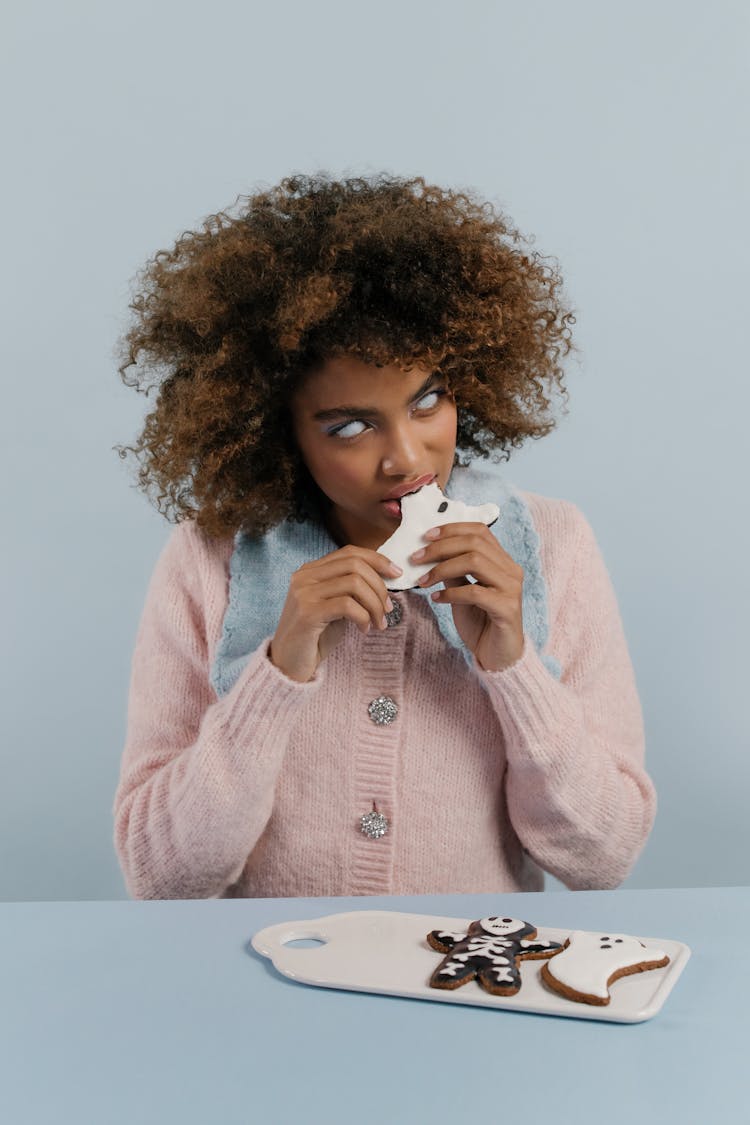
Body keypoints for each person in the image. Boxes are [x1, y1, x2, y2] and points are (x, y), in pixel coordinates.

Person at [113, 172, 655, 900]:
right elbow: (160, 876)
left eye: (428, 400)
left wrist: (512, 663)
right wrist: (278, 671)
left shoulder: (551, 542)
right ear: (276, 430)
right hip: (268, 990)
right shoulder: (209, 560)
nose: (407, 456)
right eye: (350, 426)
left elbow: (605, 856)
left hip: (464, 988)